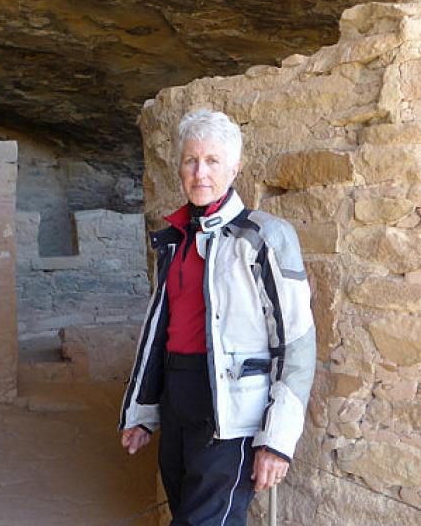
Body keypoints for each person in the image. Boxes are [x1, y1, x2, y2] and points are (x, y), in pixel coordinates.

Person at [119, 109, 316, 525]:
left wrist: (277, 441)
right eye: (191, 160)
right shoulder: (176, 239)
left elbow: (296, 343)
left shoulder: (264, 236)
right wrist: (141, 411)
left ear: (235, 167)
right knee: (185, 512)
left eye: (212, 161)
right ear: (179, 167)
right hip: (178, 399)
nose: (200, 173)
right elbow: (159, 332)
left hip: (230, 408)